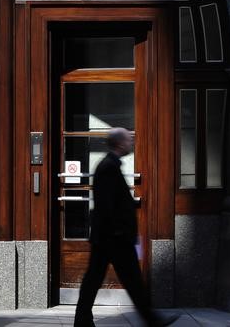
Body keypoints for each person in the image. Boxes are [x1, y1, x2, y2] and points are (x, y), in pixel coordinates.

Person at [74, 128, 177, 327]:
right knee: (129, 281)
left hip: (108, 238)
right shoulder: (108, 167)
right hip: (114, 238)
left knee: (97, 280)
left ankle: (83, 320)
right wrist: (121, 231)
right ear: (120, 144)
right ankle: (151, 321)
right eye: (129, 140)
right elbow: (107, 205)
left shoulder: (110, 165)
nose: (132, 143)